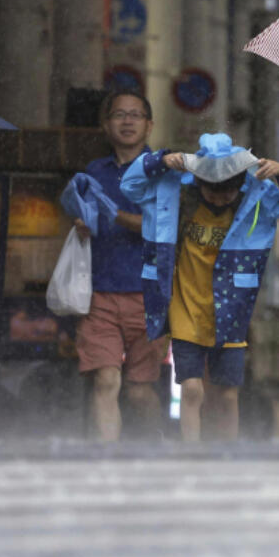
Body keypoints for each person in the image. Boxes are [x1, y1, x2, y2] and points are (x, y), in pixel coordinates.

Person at [120, 132, 279, 442]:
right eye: (212, 192)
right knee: (191, 389)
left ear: (240, 186)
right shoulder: (173, 192)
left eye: (228, 193)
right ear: (198, 183)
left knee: (228, 394)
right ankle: (191, 454)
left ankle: (228, 454)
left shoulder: (258, 196)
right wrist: (159, 160)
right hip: (185, 311)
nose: (220, 199)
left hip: (231, 311)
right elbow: (130, 186)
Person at [66, 90, 168, 442]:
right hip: (99, 294)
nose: (127, 121)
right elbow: (92, 218)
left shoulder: (161, 171)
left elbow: (160, 227)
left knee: (140, 391)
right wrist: (85, 223)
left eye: (135, 115)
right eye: (119, 115)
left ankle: (154, 442)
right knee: (106, 380)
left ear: (149, 124)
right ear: (106, 126)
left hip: (148, 294)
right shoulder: (95, 171)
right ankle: (106, 462)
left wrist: (117, 216)